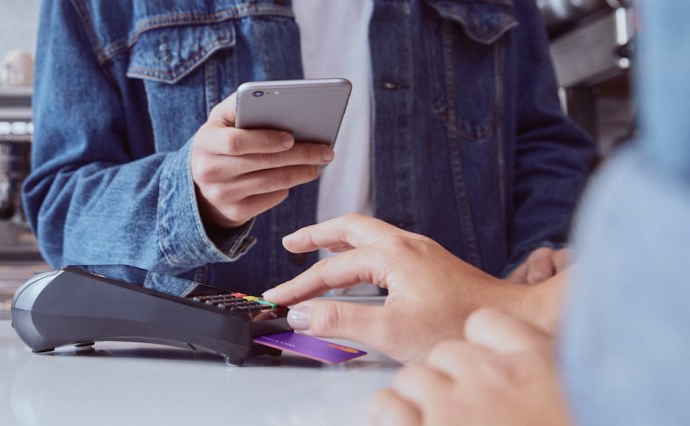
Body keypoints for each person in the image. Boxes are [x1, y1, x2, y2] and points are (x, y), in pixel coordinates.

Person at [265, 2, 690, 423]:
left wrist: (530, 274)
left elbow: (544, 141)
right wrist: (199, 202)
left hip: (468, 352)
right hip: (259, 369)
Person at [23, 0, 596, 295]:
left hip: (442, 366)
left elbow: (544, 143)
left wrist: (540, 248)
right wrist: (189, 198)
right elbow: (59, 206)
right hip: (212, 375)